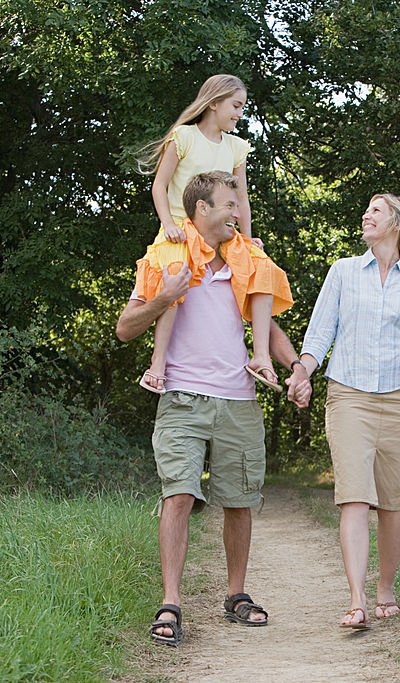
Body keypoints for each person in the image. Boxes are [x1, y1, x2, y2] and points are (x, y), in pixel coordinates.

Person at [116, 171, 313, 646]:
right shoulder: (167, 259)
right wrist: (163, 296)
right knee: (178, 495)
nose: (236, 213)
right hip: (181, 397)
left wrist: (296, 369)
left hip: (238, 399)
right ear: (200, 209)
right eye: (229, 204)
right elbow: (125, 328)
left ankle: (237, 595)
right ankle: (171, 602)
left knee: (240, 502)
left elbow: (267, 330)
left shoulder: (246, 262)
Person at [297, 194, 400, 629]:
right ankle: (357, 598)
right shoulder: (343, 272)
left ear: (397, 223)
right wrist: (302, 372)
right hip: (350, 396)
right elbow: (320, 332)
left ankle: (385, 589)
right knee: (354, 498)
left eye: (376, 210)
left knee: (393, 504)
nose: (366, 215)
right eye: (367, 210)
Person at [135, 74, 292, 394]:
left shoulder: (236, 147)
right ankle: (158, 361)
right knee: (176, 271)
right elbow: (159, 186)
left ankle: (261, 355)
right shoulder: (184, 137)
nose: (239, 113)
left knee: (261, 267)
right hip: (182, 228)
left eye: (242, 107)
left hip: (221, 231)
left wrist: (247, 238)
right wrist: (168, 225)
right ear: (214, 102)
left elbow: (242, 199)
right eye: (235, 106)